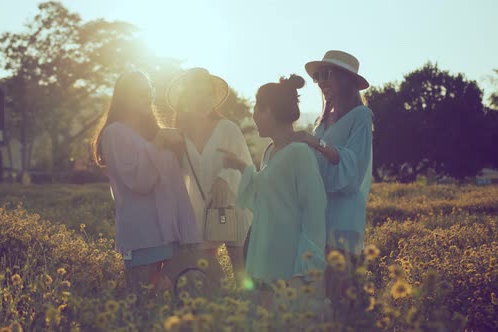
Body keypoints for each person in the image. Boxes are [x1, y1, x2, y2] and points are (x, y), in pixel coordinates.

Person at [222, 74, 327, 306]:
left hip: (289, 267)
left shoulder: (300, 153)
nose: (254, 116)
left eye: (257, 109)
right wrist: (242, 167)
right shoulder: (270, 152)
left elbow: (314, 214)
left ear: (268, 110)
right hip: (264, 259)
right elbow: (265, 198)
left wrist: (304, 269)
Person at [93, 72, 200, 292]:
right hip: (142, 236)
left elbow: (178, 183)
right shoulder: (114, 133)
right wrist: (159, 143)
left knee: (171, 309)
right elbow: (139, 181)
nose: (147, 97)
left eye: (149, 92)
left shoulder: (154, 133)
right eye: (140, 92)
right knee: (141, 306)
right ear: (125, 97)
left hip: (171, 235)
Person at [291, 50, 373, 316]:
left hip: (343, 217)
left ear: (346, 79)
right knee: (321, 295)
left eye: (327, 74)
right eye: (318, 76)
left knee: (343, 292)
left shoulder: (361, 116)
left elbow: (354, 164)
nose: (321, 81)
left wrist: (317, 143)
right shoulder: (322, 120)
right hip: (318, 216)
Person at [166, 68, 253, 288]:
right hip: (197, 212)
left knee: (242, 272)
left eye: (207, 94)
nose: (203, 99)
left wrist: (224, 177)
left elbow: (244, 164)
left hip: (232, 207)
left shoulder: (227, 128)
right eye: (196, 93)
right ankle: (220, 315)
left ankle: (248, 315)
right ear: (186, 98)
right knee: (206, 271)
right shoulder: (178, 136)